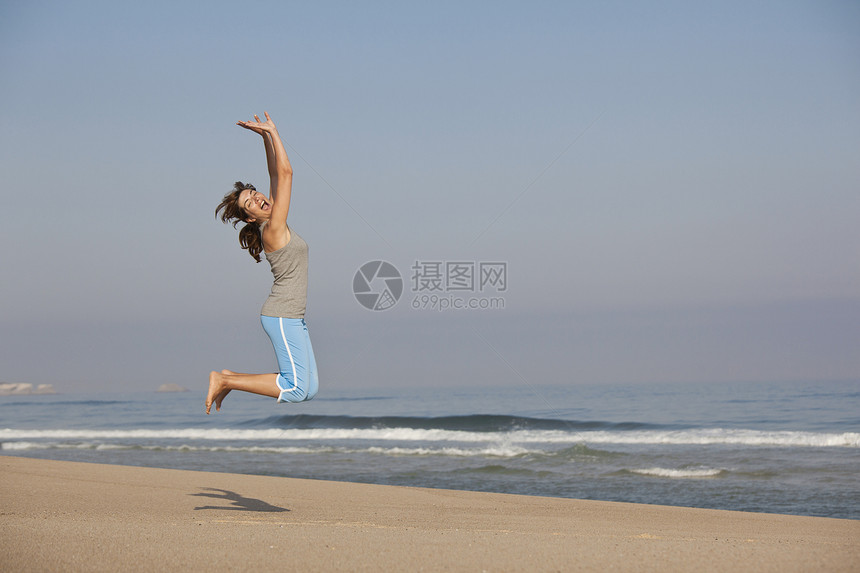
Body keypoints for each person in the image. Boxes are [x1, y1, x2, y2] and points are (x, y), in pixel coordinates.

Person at [206, 112, 318, 414]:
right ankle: (225, 380)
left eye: (254, 194)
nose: (257, 199)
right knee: (295, 389)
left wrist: (265, 137)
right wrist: (275, 131)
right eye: (249, 203)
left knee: (309, 389)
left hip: (292, 316)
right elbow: (286, 174)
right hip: (281, 315)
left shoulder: (273, 220)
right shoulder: (272, 229)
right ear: (250, 218)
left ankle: (228, 377)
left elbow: (274, 174)